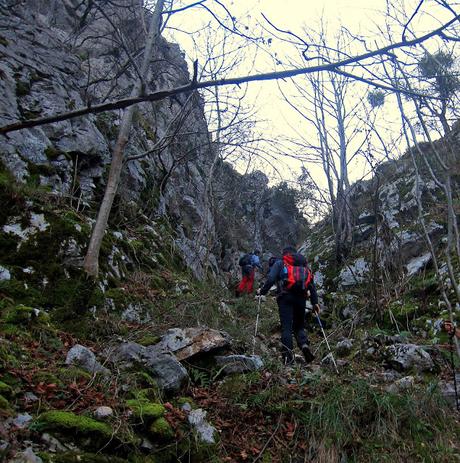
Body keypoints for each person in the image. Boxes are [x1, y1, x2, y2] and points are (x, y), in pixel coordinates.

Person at [257, 246, 319, 365]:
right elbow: (311, 285)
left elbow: (270, 279)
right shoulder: (304, 266)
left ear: (285, 254)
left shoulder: (281, 263)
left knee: (286, 327)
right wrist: (315, 303)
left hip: (285, 298)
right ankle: (304, 345)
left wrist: (262, 291)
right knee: (299, 326)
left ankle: (288, 358)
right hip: (301, 298)